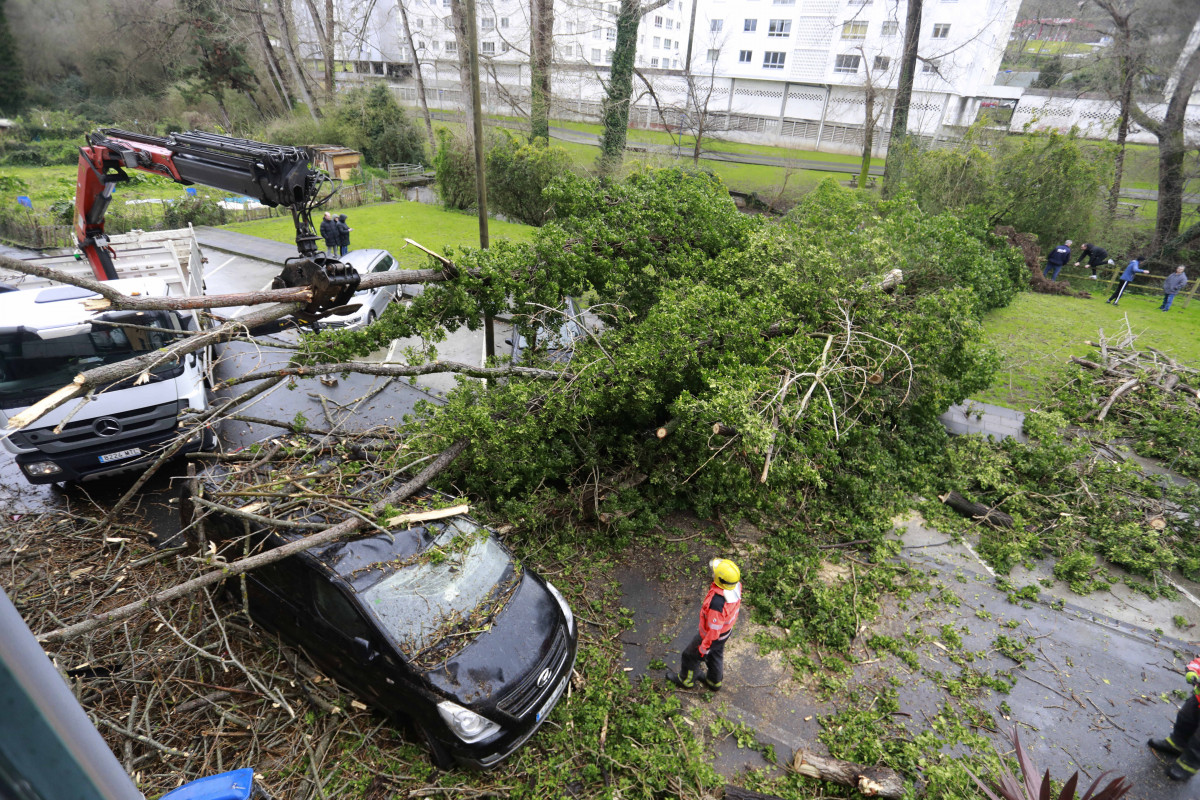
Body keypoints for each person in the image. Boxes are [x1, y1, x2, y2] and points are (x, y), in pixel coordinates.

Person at [671, 558, 742, 691]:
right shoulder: (735, 586)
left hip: (711, 637)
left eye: (715, 573)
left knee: (690, 656)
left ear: (720, 579)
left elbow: (713, 631)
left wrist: (703, 648)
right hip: (725, 633)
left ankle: (686, 680)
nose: (713, 573)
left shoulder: (717, 604)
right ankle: (714, 682)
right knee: (715, 656)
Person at [1149, 657, 1200, 781]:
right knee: (1185, 718)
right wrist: (1193, 671)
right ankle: (1177, 743)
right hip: (1198, 698)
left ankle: (1188, 765)